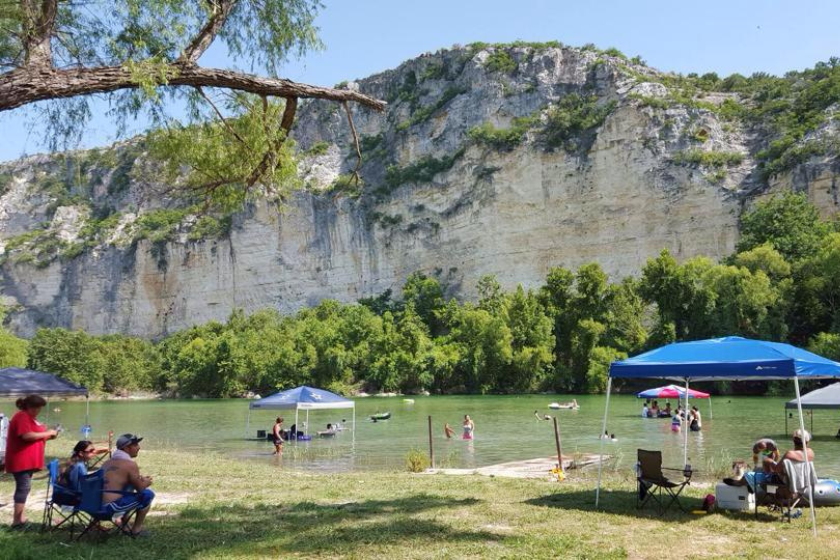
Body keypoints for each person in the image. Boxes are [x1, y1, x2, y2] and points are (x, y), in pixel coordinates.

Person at [4, 394, 58, 529]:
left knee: (25, 487)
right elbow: (26, 436)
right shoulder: (22, 416)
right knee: (23, 487)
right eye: (37, 408)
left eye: (39, 409)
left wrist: (50, 435)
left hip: (29, 460)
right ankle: (17, 521)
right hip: (20, 460)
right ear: (29, 407)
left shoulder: (30, 418)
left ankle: (21, 517)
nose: (38, 411)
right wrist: (47, 433)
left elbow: (35, 436)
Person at [101, 434, 155, 536]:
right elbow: (140, 488)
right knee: (148, 494)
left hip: (95, 507)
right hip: (110, 508)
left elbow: (119, 481)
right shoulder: (130, 464)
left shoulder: (107, 463)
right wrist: (147, 482)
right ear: (126, 448)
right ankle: (136, 530)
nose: (139, 447)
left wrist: (138, 480)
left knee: (127, 489)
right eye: (135, 445)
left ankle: (124, 526)